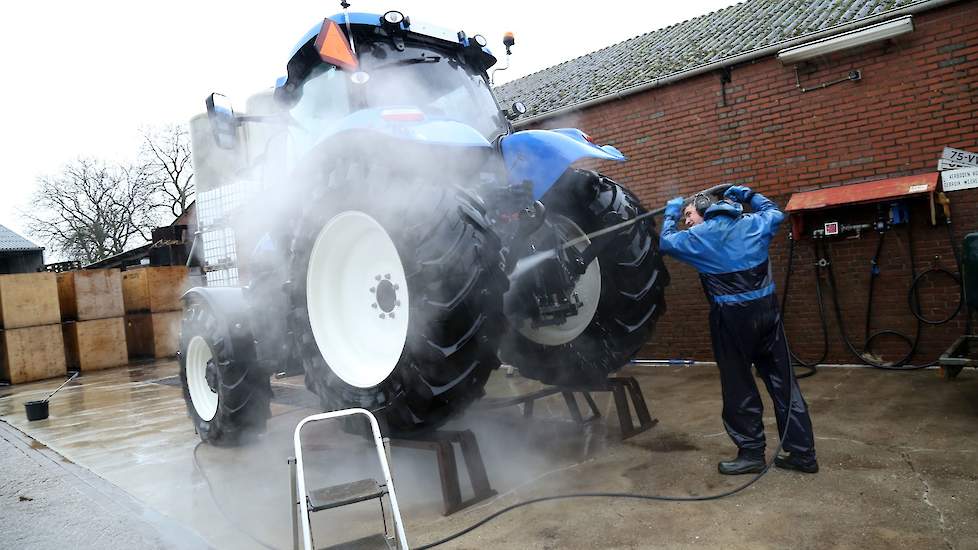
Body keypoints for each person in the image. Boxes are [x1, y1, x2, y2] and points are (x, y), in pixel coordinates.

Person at [659, 186, 818, 475]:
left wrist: (670, 211)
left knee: (739, 388)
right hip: (769, 318)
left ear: (706, 208)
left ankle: (752, 454)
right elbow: (774, 212)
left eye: (689, 214)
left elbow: (666, 243)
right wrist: (747, 194)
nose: (686, 220)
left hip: (731, 322)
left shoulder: (698, 239)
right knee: (785, 385)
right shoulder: (755, 223)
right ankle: (803, 454)